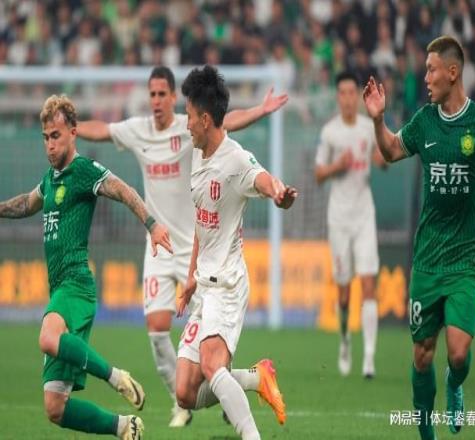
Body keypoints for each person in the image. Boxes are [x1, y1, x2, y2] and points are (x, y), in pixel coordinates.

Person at [76, 66, 288, 427]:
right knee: (180, 377)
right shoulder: (168, 141)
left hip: (216, 270)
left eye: (165, 95)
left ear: (178, 102)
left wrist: (262, 115)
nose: (158, 101)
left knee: (212, 363)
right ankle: (239, 384)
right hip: (176, 257)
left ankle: (242, 416)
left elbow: (246, 155)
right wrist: (72, 128)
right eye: (152, 94)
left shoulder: (206, 142)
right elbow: (103, 130)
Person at [0, 95, 174, 439]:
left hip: (76, 284)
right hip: (60, 289)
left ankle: (115, 377)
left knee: (48, 338)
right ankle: (124, 427)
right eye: (45, 137)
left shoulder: (82, 171)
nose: (50, 144)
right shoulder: (50, 178)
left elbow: (123, 190)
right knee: (55, 408)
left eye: (56, 136)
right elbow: (26, 204)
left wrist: (152, 225)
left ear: (73, 133)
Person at [363, 35, 475, 440]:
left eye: (431, 69)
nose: (425, 78)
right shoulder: (425, 120)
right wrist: (378, 120)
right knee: (422, 356)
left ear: (452, 72)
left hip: (464, 261)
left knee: (457, 353)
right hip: (426, 260)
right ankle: (426, 433)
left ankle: (455, 384)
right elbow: (390, 151)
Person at [174, 65, 297, 440]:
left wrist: (278, 192)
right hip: (204, 285)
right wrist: (191, 277)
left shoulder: (235, 160)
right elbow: (202, 222)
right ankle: (257, 378)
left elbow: (262, 178)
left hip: (227, 285)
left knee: (212, 365)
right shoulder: (200, 151)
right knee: (185, 393)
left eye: (189, 117)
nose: (186, 124)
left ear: (204, 119)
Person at [314, 71, 386, 379]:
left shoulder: (368, 127)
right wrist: (336, 166)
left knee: (369, 283)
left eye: (351, 93)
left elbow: (383, 158)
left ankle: (369, 358)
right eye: (342, 93)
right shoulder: (330, 132)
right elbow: (318, 174)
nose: (347, 99)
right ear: (337, 97)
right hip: (339, 218)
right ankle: (345, 340)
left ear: (358, 96)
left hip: (364, 214)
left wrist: (382, 157)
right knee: (344, 292)